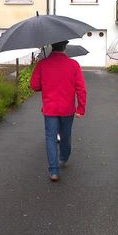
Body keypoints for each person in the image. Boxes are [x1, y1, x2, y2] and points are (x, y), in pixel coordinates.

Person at [30, 40, 87, 182]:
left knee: (50, 138)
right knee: (65, 135)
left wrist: (45, 82)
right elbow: (81, 89)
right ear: (65, 47)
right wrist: (81, 108)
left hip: (50, 109)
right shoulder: (74, 65)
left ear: (51, 47)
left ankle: (54, 171)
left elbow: (34, 85)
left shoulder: (42, 64)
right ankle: (64, 157)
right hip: (67, 109)